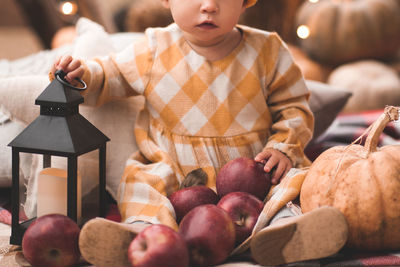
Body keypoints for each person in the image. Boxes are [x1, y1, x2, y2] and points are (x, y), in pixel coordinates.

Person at [50, 0, 348, 266]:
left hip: (254, 172)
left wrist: (283, 147)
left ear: (247, 1)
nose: (209, 6)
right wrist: (82, 74)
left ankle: (286, 233)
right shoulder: (154, 48)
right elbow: (109, 76)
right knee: (142, 182)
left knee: (288, 185)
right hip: (175, 172)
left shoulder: (268, 50)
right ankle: (140, 232)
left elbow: (294, 106)